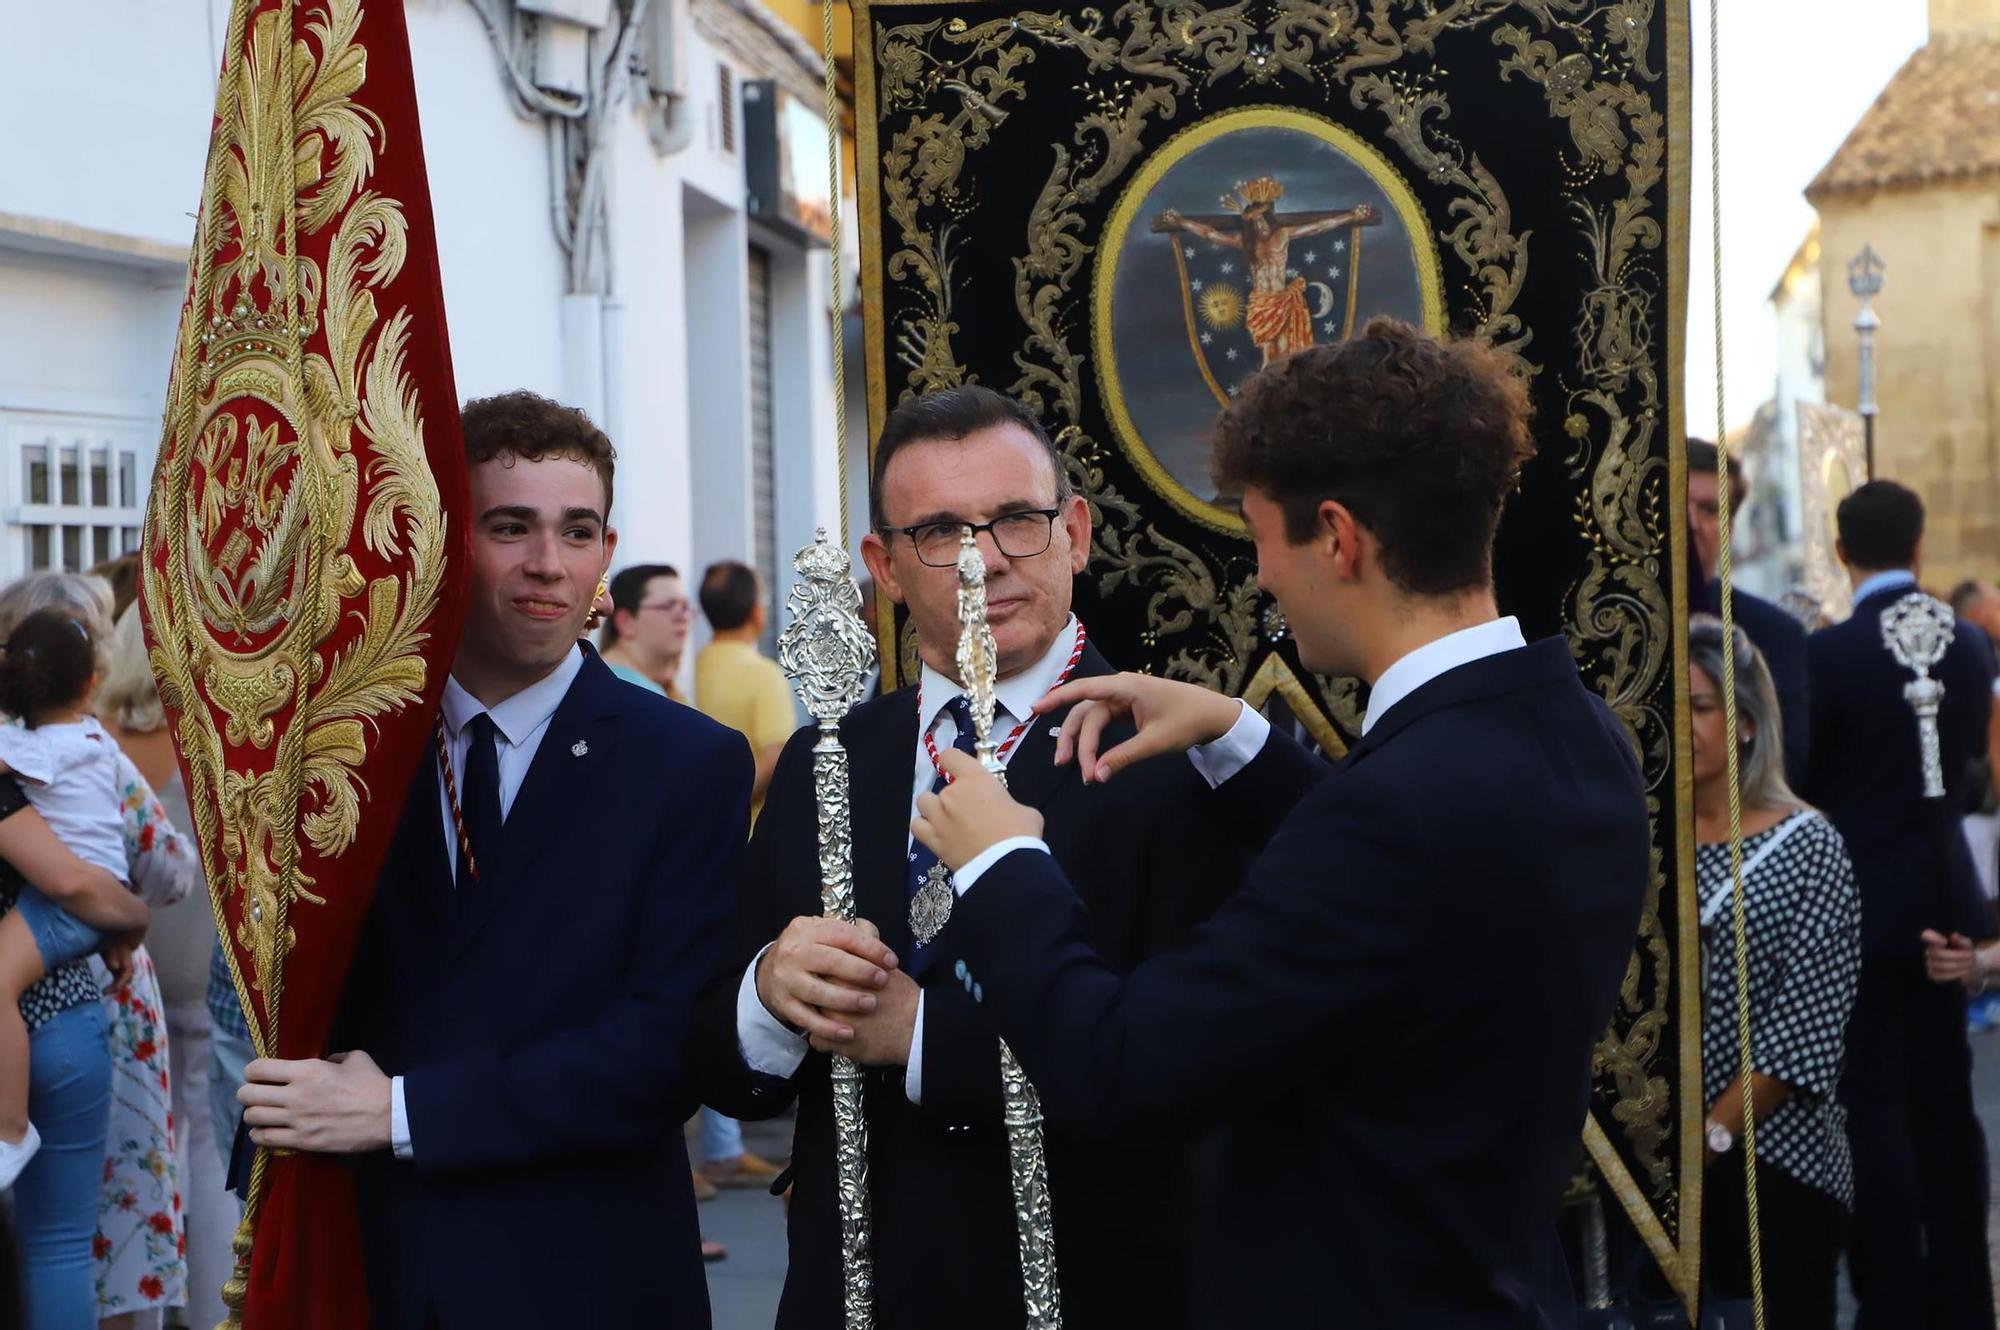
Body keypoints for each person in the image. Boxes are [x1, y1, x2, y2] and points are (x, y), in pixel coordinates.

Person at [869, 320, 1651, 1325]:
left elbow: (1121, 1070)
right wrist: (1238, 735)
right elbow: (1413, 896)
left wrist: (1005, 861)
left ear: (1335, 537)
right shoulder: (1570, 731)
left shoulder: (1395, 809)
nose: (1261, 579)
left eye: (1263, 539)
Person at [693, 384, 1251, 1328]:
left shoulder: (1181, 758)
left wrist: (920, 1037)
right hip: (852, 1293)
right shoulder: (829, 758)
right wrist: (768, 995)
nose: (983, 561)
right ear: (884, 564)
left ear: (1074, 531)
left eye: (1017, 522)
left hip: (1091, 1288)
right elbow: (721, 1066)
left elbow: (1198, 1072)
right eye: (941, 531)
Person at [235, 390, 753, 1328]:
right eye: (510, 527)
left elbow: (659, 1050)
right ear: (445, 536)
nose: (548, 565)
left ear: (607, 549)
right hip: (376, 1263)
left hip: (587, 1268)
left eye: (578, 530)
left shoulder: (686, 762)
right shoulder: (346, 749)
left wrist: (399, 1113)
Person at [1801, 480, 1997, 1328]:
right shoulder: (1973, 647)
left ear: (1842, 554)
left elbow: (1813, 778)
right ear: (1920, 549)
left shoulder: (1829, 654)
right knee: (1947, 1100)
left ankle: (1893, 1296)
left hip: (1862, 902)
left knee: (1873, 1106)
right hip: (1949, 889)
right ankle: (1962, 1291)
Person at [0, 575, 198, 1329]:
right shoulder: (93, 753)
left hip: (47, 988)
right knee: (86, 1234)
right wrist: (130, 912)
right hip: (91, 1003)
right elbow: (159, 869)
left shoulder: (22, 754)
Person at [1687, 617, 1859, 1330]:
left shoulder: (1811, 846)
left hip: (1776, 1166)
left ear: (1748, 723)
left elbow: (1804, 1034)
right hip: (1665, 1176)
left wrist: (1712, 1139)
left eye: (1700, 706)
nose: (1683, 723)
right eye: (1675, 706)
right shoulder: (1642, 835)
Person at [98, 601, 235, 1330]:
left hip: (126, 970)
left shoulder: (97, 747)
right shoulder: (214, 741)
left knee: (142, 1151)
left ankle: (150, 1314)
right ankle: (215, 1314)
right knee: (209, 1142)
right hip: (207, 964)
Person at [0, 610, 144, 1190]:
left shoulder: (39, 747)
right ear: (90, 683)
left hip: (69, 905)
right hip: (98, 900)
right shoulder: (93, 740)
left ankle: (10, 1129)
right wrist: (131, 920)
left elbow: (67, 881)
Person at [0, 778, 138, 1330]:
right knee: (61, 1249)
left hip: (55, 1021)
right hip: (62, 1018)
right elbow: (72, 879)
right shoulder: (42, 767)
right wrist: (133, 917)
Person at [1687, 438, 1810, 787]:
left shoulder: (1775, 634)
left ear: (1729, 528)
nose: (1691, 523)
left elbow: (1786, 763)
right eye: (1678, 505)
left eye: (1709, 509)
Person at [694, 561, 795, 821]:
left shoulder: (690, 668)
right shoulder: (764, 674)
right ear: (756, 613)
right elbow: (775, 756)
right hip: (745, 832)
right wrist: (724, 807)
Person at [601, 562, 692, 700]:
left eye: (684, 607)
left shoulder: (603, 677)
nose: (683, 617)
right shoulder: (630, 692)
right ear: (625, 622)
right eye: (668, 606)